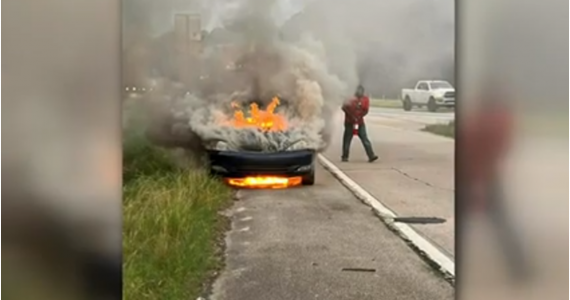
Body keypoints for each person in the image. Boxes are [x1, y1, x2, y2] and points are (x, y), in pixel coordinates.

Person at [341, 85, 378, 162]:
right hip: (349, 122)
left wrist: (359, 116)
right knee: (347, 140)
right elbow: (344, 107)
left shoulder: (365, 99)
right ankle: (345, 156)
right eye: (358, 91)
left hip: (360, 122)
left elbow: (366, 110)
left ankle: (371, 155)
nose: (360, 92)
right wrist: (351, 116)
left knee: (365, 139)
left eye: (361, 91)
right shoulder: (349, 98)